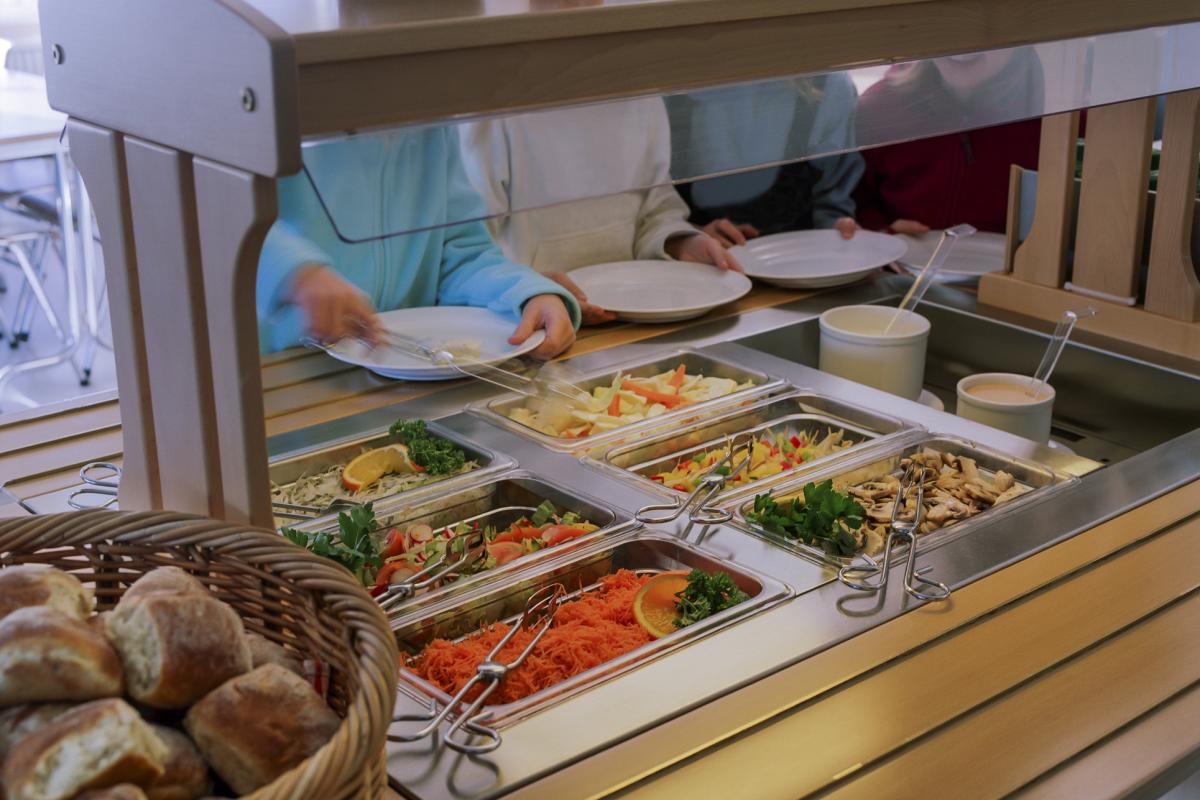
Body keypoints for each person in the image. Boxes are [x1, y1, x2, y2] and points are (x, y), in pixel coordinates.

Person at [256, 128, 580, 358]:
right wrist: (294, 273)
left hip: (402, 371)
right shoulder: (268, 108)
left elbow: (458, 252)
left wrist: (527, 294)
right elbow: (211, 216)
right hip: (279, 373)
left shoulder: (430, 126)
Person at [460, 96, 738, 325]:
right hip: (533, 326)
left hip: (641, 313)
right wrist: (527, 289)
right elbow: (467, 250)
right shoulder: (491, 110)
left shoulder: (641, 95)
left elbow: (654, 209)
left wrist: (678, 242)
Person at [853, 49, 1047, 235]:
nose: (964, 46)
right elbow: (850, 206)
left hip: (1024, 266)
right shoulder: (879, 107)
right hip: (908, 263)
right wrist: (881, 233)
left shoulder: (1057, 111)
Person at [665, 73, 864, 246]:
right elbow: (653, 210)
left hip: (801, 264)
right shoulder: (670, 87)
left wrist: (837, 227)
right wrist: (688, 235)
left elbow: (831, 202)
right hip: (701, 269)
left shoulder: (827, 83)